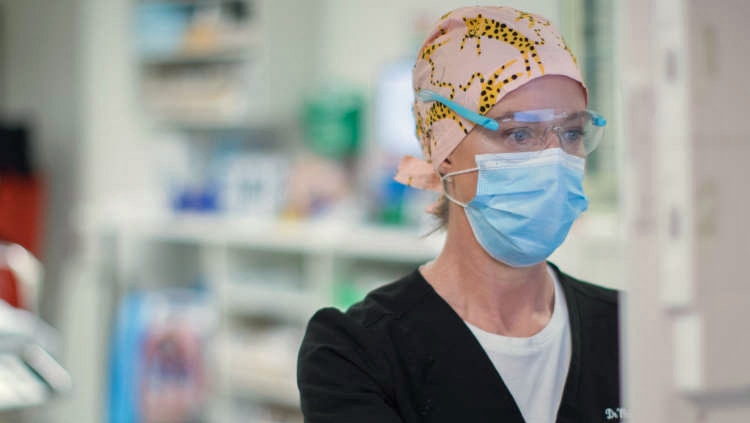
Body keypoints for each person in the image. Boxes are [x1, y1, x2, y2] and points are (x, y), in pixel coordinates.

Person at [297, 6, 621, 423]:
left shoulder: (626, 328)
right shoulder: (356, 354)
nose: (554, 160)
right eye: (519, 133)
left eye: (572, 133)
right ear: (443, 151)